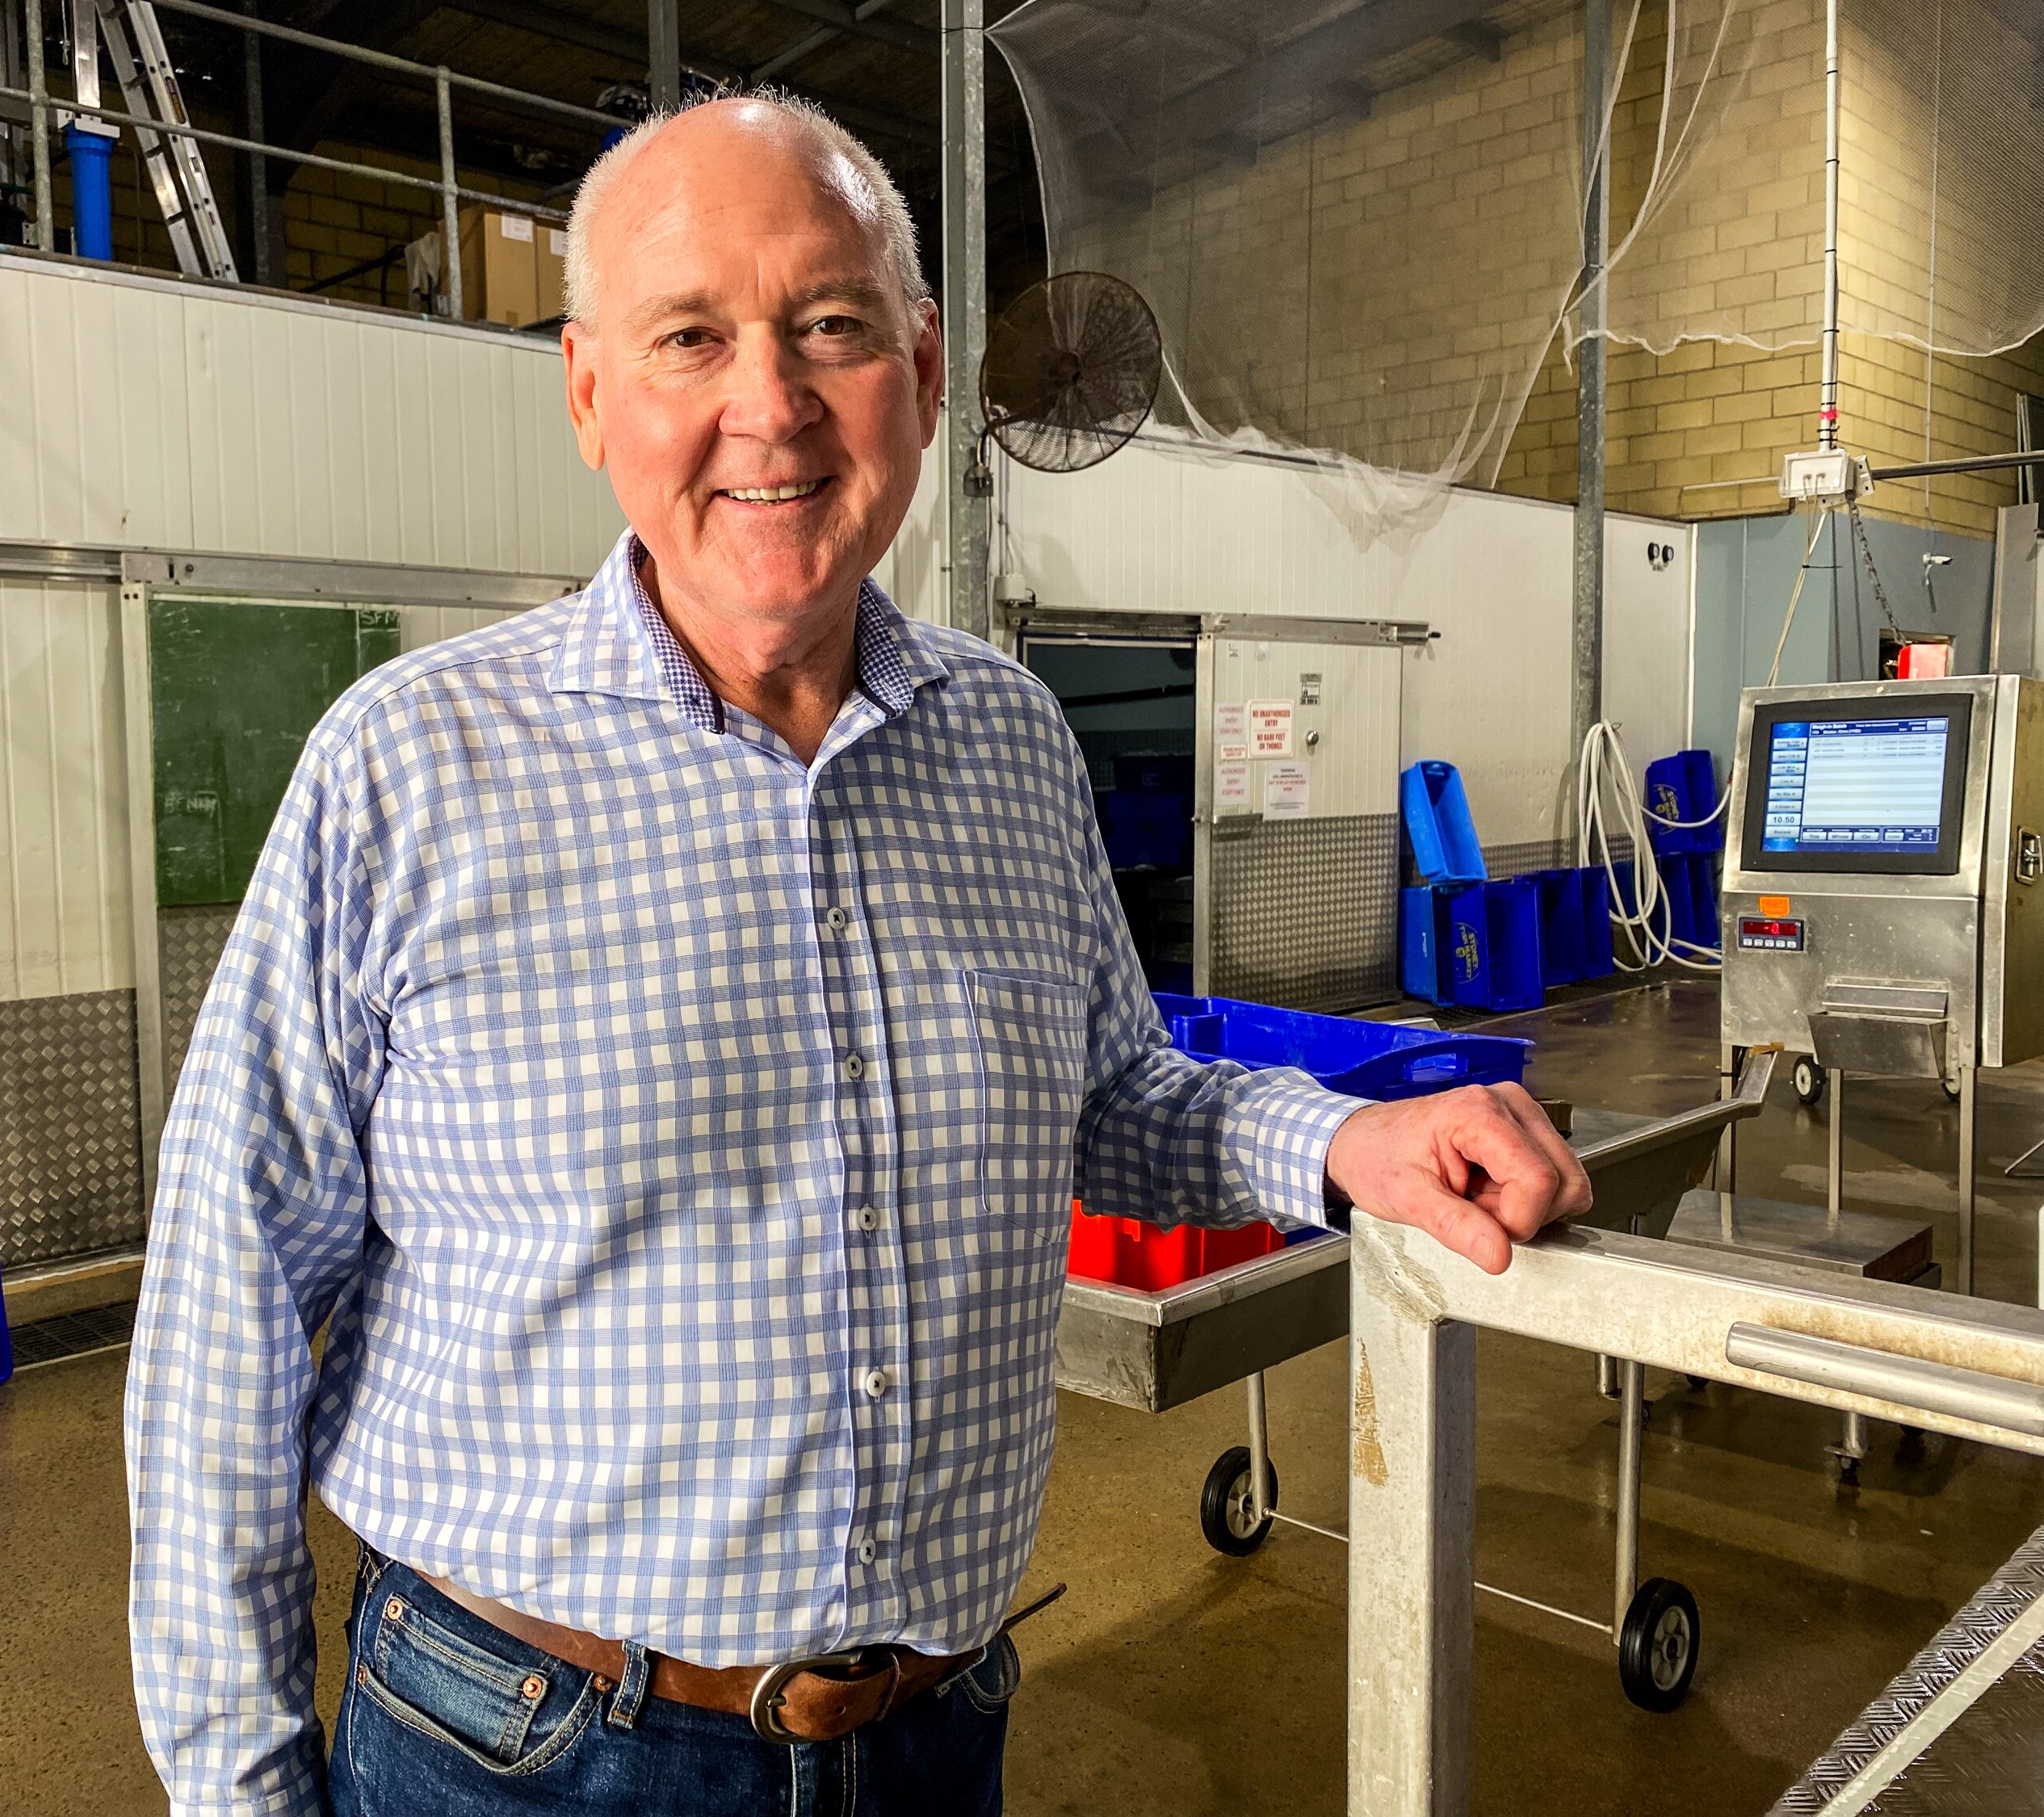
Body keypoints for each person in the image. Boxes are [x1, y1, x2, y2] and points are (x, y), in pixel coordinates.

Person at [124, 93, 1592, 1817]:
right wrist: (238, 1788)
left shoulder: (1008, 740)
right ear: (593, 395)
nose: (771, 406)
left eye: (829, 326)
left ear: (922, 363)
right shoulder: (410, 767)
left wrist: (1339, 1142)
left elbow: (1112, 1089)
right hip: (516, 1747)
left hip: (928, 1733)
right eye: (692, 338)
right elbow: (227, 1296)